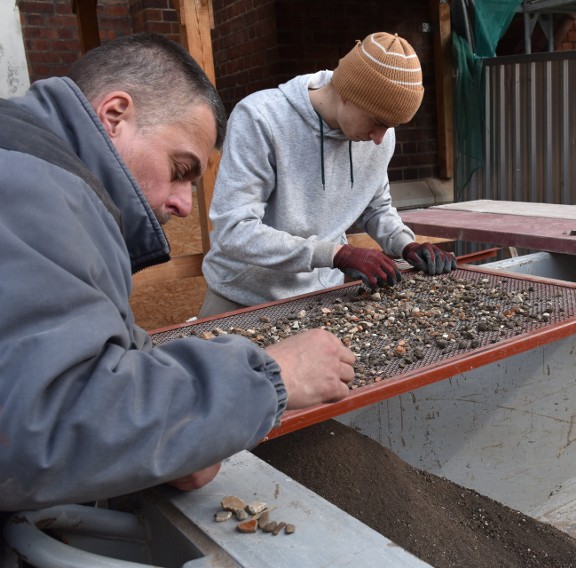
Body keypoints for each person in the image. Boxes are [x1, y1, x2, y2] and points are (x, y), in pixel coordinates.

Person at [0, 33, 355, 512]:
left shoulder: (35, 171)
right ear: (114, 116)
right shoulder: (29, 191)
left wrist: (186, 427)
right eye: (180, 168)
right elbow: (38, 429)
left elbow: (77, 342)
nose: (185, 205)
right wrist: (271, 377)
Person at [199, 32, 456, 318]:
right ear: (348, 92)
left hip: (322, 297)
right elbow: (234, 230)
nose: (380, 138)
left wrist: (406, 244)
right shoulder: (260, 118)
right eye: (378, 122)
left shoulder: (378, 138)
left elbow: (376, 207)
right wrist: (336, 254)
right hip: (242, 298)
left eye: (391, 126)